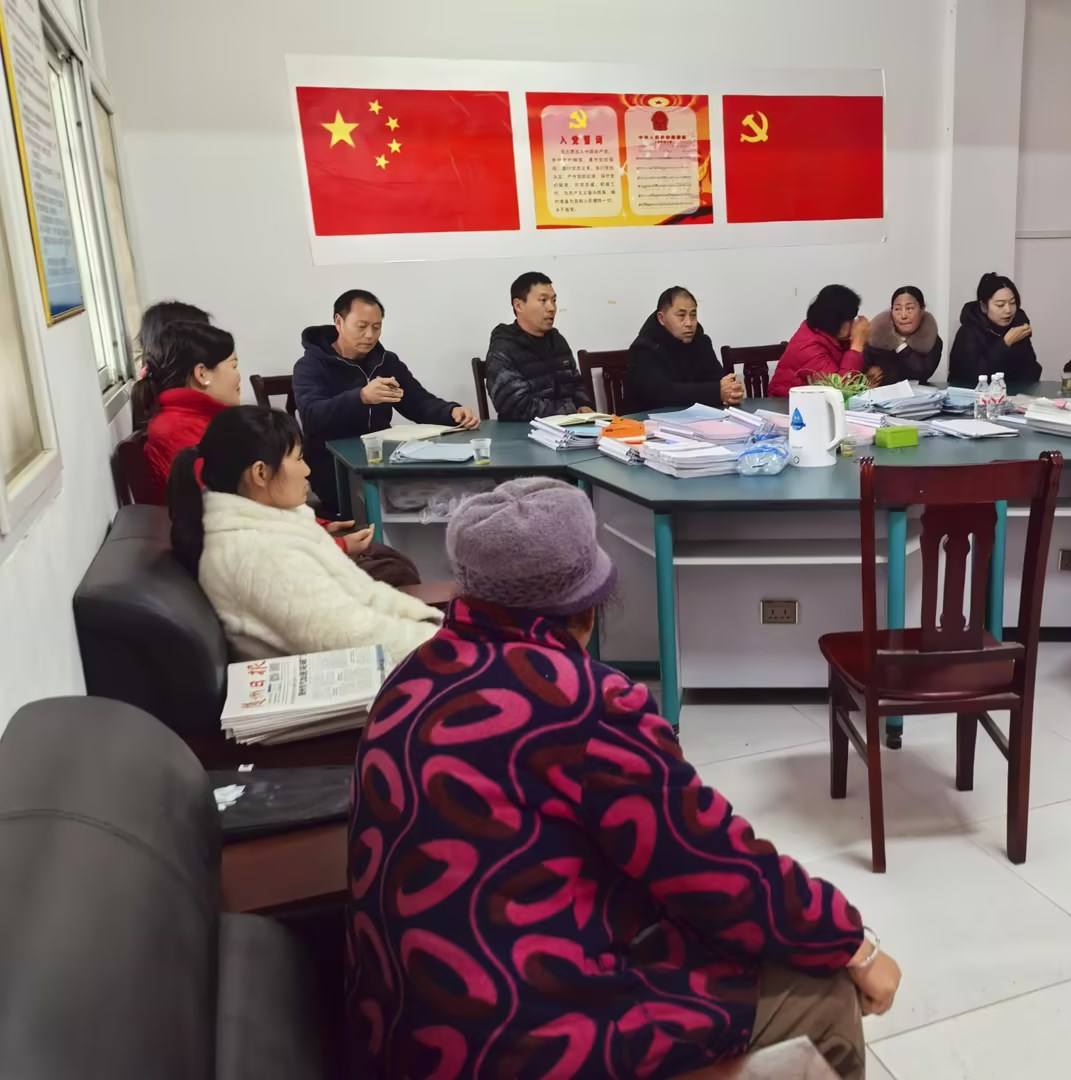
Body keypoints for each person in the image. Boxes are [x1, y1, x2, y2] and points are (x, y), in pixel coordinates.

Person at [347, 477, 900, 1080]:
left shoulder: (411, 674)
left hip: (401, 1032)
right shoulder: (586, 701)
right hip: (513, 1044)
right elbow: (714, 864)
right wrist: (853, 944)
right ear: (588, 604)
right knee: (823, 998)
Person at [168, 406, 441, 660]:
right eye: (298, 459)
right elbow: (350, 634)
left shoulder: (271, 525)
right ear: (261, 473)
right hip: (351, 674)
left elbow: (366, 595)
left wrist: (433, 625)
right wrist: (444, 645)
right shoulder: (258, 555)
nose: (307, 470)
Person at [293, 289, 479, 514]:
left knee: (454, 489)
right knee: (403, 502)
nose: (370, 335)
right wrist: (361, 397)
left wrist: (452, 412)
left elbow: (418, 402)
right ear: (339, 322)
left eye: (377, 327)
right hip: (333, 466)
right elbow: (312, 415)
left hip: (383, 459)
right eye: (361, 326)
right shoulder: (311, 365)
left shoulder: (385, 361)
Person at [132, 320, 242, 501]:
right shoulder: (176, 428)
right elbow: (217, 500)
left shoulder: (200, 419)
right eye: (234, 366)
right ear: (202, 374)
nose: (238, 376)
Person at [485, 271, 595, 420]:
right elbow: (514, 406)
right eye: (543, 300)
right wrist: (571, 410)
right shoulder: (504, 346)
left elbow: (576, 384)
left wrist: (584, 405)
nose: (551, 308)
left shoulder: (556, 340)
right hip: (525, 431)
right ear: (518, 305)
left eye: (554, 300)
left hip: (568, 426)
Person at [624, 285, 743, 411]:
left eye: (693, 315)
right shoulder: (643, 348)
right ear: (661, 318)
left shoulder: (701, 342)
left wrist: (732, 390)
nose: (689, 323)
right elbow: (661, 393)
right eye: (681, 316)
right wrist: (716, 392)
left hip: (697, 417)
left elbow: (719, 380)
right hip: (646, 419)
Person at [768, 284, 869, 398]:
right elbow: (839, 391)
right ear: (836, 320)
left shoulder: (835, 337)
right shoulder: (808, 346)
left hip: (815, 402)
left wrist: (868, 377)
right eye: (851, 318)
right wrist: (857, 346)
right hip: (786, 404)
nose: (855, 323)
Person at [948, 272, 1042, 387]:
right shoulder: (968, 332)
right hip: (973, 395)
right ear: (983, 306)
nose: (1008, 310)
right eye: (1000, 305)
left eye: (1012, 303)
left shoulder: (1018, 326)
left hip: (1013, 395)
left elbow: (1032, 370)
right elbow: (974, 376)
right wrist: (1005, 343)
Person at [862, 285, 943, 386]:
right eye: (897, 309)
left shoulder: (931, 340)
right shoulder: (875, 337)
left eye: (910, 308)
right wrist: (867, 376)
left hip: (917, 394)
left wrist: (899, 345)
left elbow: (923, 372)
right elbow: (859, 370)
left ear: (922, 310)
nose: (903, 315)